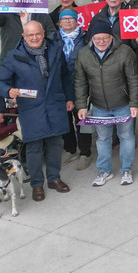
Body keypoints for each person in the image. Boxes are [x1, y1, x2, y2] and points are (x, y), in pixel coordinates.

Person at [0, 21, 74, 201]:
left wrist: (69, 98)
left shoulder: (55, 49)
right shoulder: (13, 56)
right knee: (35, 147)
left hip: (55, 104)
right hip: (31, 108)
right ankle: (37, 183)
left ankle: (54, 179)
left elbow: (65, 76)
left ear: (43, 33)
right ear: (24, 36)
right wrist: (8, 91)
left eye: (37, 34)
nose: (35, 38)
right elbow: (0, 83)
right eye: (30, 35)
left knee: (55, 144)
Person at [73, 20, 138, 187]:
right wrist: (81, 105)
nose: (101, 42)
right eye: (97, 39)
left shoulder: (125, 52)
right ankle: (104, 171)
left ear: (111, 37)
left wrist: (134, 103)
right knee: (103, 139)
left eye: (105, 38)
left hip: (123, 104)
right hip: (99, 106)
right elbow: (80, 81)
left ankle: (126, 169)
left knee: (126, 136)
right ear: (91, 39)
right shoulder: (84, 54)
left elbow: (134, 80)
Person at [53, 10, 92, 169]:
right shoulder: (53, 38)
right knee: (64, 118)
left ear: (77, 21)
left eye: (71, 18)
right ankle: (70, 149)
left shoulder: (86, 37)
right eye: (64, 18)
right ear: (59, 22)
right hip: (61, 84)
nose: (68, 21)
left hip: (81, 83)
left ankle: (85, 152)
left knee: (82, 119)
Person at [0, 0, 57, 66]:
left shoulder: (42, 15)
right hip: (11, 61)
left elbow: (52, 36)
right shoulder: (7, 15)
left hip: (36, 62)